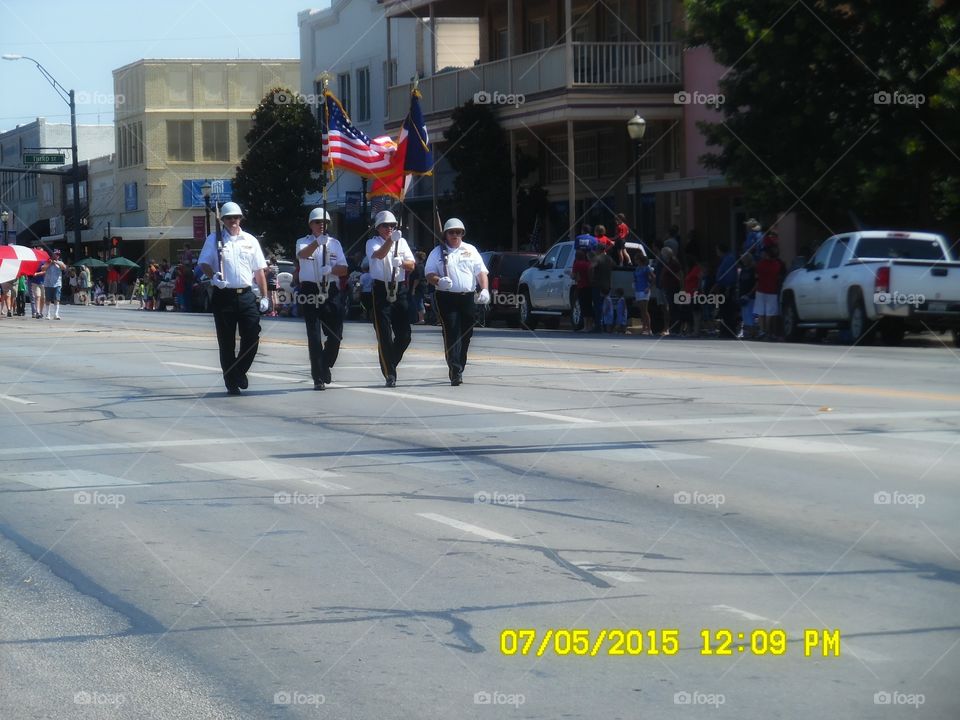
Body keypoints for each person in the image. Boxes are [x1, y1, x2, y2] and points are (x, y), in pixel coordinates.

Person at [197, 201, 269, 395]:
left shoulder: (250, 240)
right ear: (223, 220)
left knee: (252, 336)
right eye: (229, 218)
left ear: (241, 218)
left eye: (236, 217)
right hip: (224, 294)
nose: (233, 221)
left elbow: (259, 270)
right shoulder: (214, 239)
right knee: (226, 342)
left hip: (246, 294)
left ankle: (238, 371)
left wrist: (264, 296)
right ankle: (231, 381)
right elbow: (203, 263)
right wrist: (213, 276)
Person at [425, 218, 490, 386]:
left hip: (467, 297)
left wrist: (484, 289)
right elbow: (429, 274)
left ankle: (459, 365)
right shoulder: (437, 252)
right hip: (446, 297)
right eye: (451, 232)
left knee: (466, 334)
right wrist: (439, 281)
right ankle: (455, 370)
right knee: (452, 331)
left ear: (462, 234)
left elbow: (480, 271)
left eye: (458, 232)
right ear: (445, 234)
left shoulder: (470, 250)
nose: (455, 235)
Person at [296, 208, 347, 391]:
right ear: (311, 225)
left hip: (330, 290)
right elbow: (302, 255)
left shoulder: (335, 244)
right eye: (318, 222)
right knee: (314, 335)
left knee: (336, 334)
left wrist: (331, 270)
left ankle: (325, 364)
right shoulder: (302, 242)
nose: (322, 225)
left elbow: (344, 268)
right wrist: (318, 243)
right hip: (310, 289)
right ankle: (318, 377)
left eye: (325, 223)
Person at [366, 210, 415, 387]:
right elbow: (378, 255)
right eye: (386, 225)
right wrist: (391, 240)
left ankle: (390, 362)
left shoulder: (401, 242)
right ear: (378, 227)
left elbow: (412, 264)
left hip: (399, 288)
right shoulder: (372, 242)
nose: (389, 228)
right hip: (381, 289)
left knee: (405, 335)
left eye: (392, 225)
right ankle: (390, 373)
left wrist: (401, 262)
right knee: (384, 334)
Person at [632, 253, 655, 335]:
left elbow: (653, 278)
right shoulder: (637, 269)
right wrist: (634, 283)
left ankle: (649, 329)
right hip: (638, 290)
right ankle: (644, 328)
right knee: (641, 310)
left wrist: (649, 287)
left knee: (645, 310)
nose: (635, 261)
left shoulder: (646, 268)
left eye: (636, 259)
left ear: (639, 260)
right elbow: (635, 278)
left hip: (644, 290)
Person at [571, 249, 593, 332]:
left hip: (581, 286)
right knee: (589, 306)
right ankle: (590, 326)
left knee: (583, 306)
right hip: (589, 287)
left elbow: (574, 276)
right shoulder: (588, 264)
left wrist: (569, 274)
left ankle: (586, 326)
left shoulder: (577, 264)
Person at [43, 249, 67, 320]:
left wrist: (57, 262)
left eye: (58, 254)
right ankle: (47, 314)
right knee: (48, 299)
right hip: (48, 283)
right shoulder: (48, 261)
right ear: (52, 254)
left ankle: (56, 314)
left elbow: (64, 268)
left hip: (57, 284)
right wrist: (50, 263)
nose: (57, 256)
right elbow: (43, 269)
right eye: (56, 254)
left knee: (57, 299)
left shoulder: (60, 262)